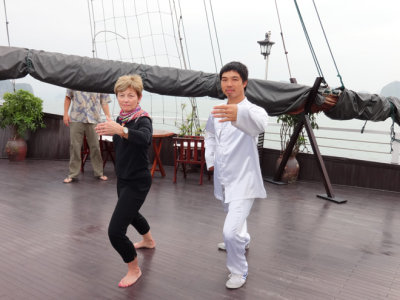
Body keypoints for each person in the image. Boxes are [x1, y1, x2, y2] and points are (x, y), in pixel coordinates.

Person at [205, 61, 269, 289]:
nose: (228, 84)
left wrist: (238, 114)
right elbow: (210, 135)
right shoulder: (217, 111)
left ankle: (238, 271)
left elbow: (260, 125)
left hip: (244, 181)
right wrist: (210, 160)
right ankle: (245, 239)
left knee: (229, 232)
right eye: (224, 79)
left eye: (234, 79)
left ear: (244, 83)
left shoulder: (252, 110)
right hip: (223, 178)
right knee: (233, 215)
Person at [95, 74, 156, 288]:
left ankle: (134, 269)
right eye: (122, 95)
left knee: (115, 231)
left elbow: (145, 139)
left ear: (138, 97)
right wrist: (111, 129)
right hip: (123, 178)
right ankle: (148, 240)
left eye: (131, 95)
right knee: (131, 214)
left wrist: (120, 130)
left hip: (138, 181)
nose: (126, 99)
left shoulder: (142, 119)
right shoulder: (121, 118)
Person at [63, 89, 111, 183]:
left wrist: (108, 117)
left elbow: (104, 102)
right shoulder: (74, 79)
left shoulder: (100, 82)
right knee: (75, 146)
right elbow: (68, 97)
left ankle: (99, 173)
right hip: (76, 118)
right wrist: (65, 114)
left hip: (94, 119)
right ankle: (72, 174)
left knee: (95, 146)